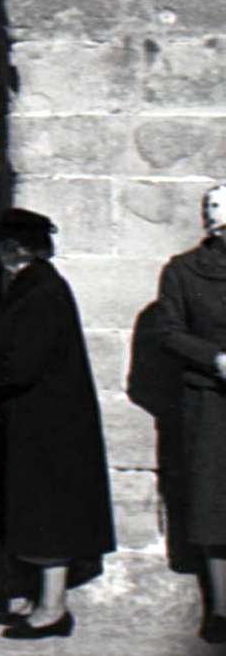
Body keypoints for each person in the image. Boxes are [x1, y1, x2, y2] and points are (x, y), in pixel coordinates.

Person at [0, 207, 113, 640]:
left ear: (15, 249)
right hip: (39, 417)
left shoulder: (40, 291)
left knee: (47, 514)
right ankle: (42, 600)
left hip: (46, 422)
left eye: (3, 245)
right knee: (37, 510)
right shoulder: (36, 285)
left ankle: (53, 610)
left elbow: (22, 363)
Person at [157, 182, 226, 644]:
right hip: (209, 400)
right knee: (213, 505)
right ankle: (221, 606)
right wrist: (215, 359)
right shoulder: (182, 271)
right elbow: (169, 331)